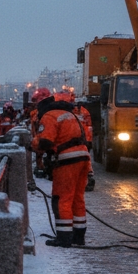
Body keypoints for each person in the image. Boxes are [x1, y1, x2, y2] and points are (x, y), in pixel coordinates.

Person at [34, 91, 91, 247]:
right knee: (77, 198)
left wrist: (32, 144)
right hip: (83, 157)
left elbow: (45, 141)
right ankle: (79, 237)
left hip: (67, 160)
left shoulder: (49, 116)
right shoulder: (71, 114)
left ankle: (64, 237)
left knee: (62, 198)